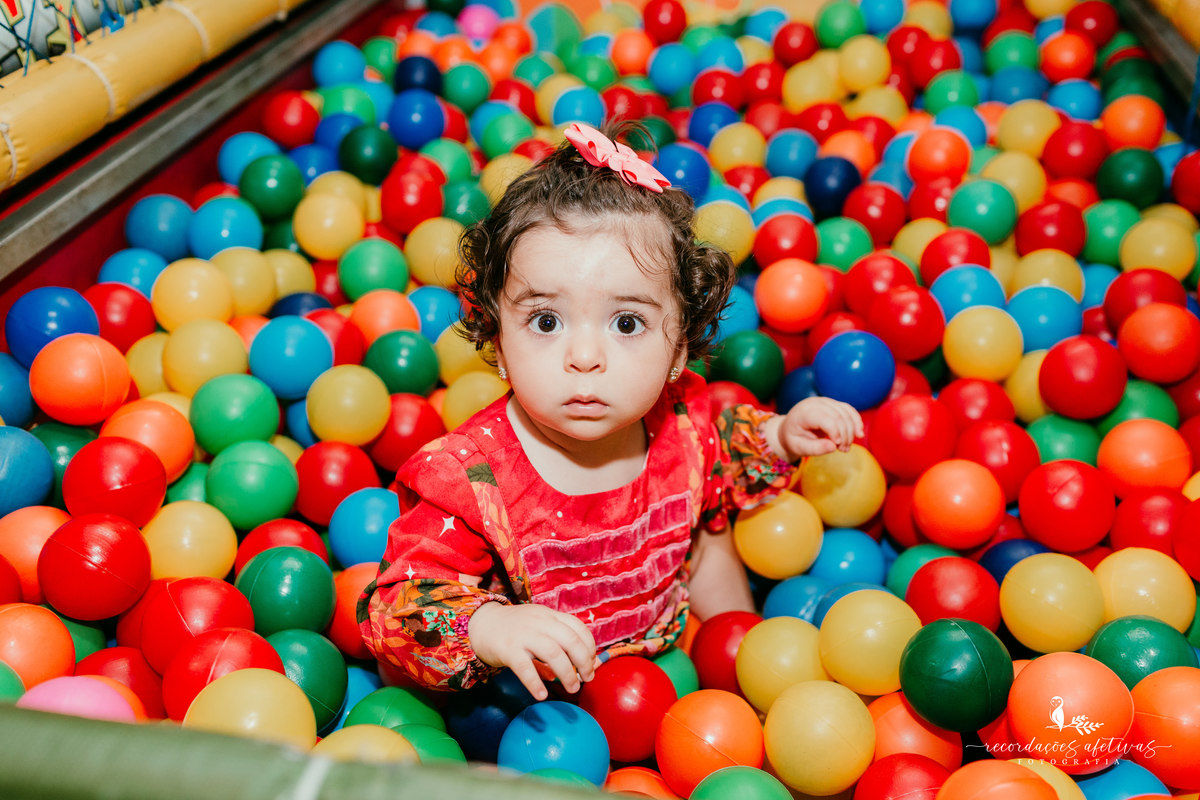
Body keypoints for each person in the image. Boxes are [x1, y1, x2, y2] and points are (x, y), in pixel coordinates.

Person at [359, 122, 863, 701]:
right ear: (498, 340)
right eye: (545, 321)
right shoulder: (470, 481)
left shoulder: (684, 421)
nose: (584, 357)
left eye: (627, 323)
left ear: (677, 351)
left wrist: (782, 436)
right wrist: (489, 626)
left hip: (667, 653)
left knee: (710, 534)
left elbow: (727, 452)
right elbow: (396, 605)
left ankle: (751, 686)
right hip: (536, 703)